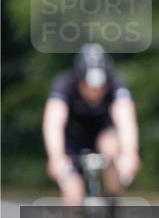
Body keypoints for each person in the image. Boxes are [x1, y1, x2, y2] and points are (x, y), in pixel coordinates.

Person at [43, 43, 141, 206]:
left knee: (111, 148)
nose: (95, 92)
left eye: (99, 88)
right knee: (72, 191)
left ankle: (112, 208)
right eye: (89, 87)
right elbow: (53, 122)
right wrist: (56, 156)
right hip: (72, 138)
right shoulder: (64, 85)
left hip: (102, 133)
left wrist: (130, 152)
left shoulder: (115, 84)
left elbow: (125, 119)